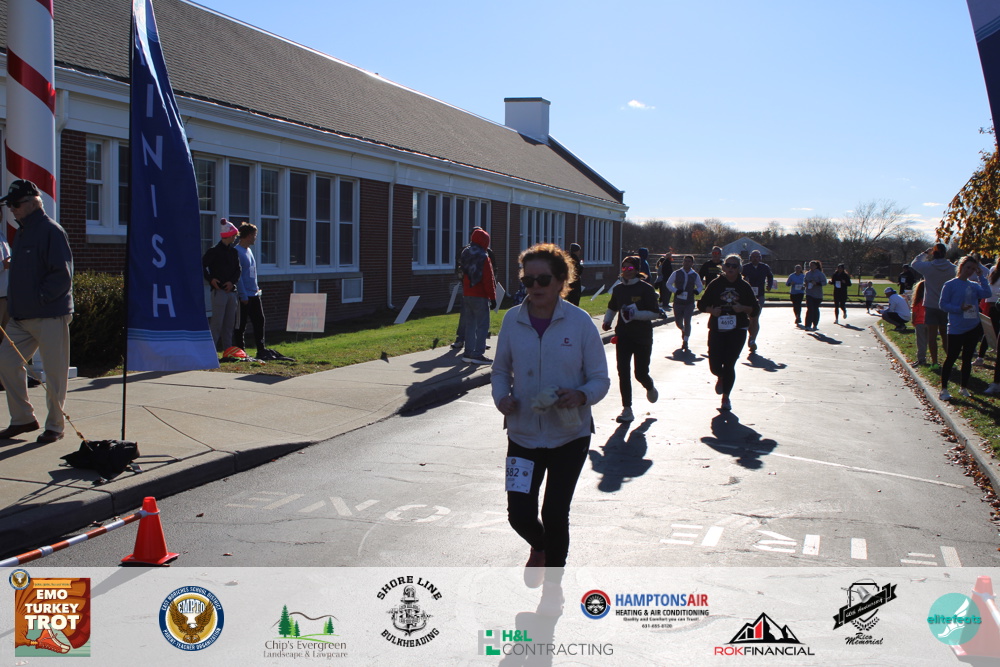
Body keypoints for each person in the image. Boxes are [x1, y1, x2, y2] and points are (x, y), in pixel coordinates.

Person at [491, 243, 610, 581]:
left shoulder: (579, 322)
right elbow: (500, 371)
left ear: (560, 281)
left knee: (555, 514)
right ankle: (540, 546)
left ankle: (554, 587)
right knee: (519, 515)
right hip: (523, 434)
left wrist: (581, 395)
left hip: (569, 436)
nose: (535, 287)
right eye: (527, 281)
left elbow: (600, 379)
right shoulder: (513, 320)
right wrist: (502, 398)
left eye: (543, 279)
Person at [0, 180, 74, 444]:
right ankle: (23, 419)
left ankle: (55, 426)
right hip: (20, 317)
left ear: (33, 203)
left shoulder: (51, 231)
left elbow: (62, 276)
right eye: (9, 205)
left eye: (15, 204)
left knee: (54, 374)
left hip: (49, 315)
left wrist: (40, 299)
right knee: (6, 361)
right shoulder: (22, 232)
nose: (12, 209)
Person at [697, 254, 759, 411]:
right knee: (715, 365)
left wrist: (742, 308)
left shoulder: (744, 286)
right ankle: (720, 375)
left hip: (737, 329)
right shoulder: (715, 284)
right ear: (723, 267)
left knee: (730, 363)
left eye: (734, 266)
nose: (731, 268)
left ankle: (726, 398)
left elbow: (755, 309)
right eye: (728, 265)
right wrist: (712, 310)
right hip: (717, 328)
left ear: (739, 269)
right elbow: (701, 304)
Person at [603, 256, 661, 423]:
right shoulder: (618, 289)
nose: (627, 271)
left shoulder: (646, 289)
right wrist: (607, 321)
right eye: (624, 268)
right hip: (623, 336)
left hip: (642, 337)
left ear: (636, 270)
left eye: (630, 268)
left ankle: (649, 386)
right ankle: (627, 409)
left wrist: (636, 314)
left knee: (640, 373)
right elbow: (612, 307)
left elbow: (655, 313)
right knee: (623, 372)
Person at [232, 223, 290, 361]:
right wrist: (243, 294)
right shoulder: (237, 252)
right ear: (248, 235)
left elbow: (252, 273)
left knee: (259, 320)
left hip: (254, 293)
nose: (255, 238)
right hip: (244, 296)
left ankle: (261, 349)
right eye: (254, 235)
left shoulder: (249, 251)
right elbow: (238, 276)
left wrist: (256, 288)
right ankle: (241, 351)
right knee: (241, 324)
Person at [938, 255, 991, 401]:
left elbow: (987, 293)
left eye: (973, 269)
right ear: (961, 267)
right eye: (968, 267)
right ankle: (944, 389)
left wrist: (981, 277)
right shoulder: (950, 284)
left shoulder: (974, 285)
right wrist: (958, 308)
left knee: (967, 359)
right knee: (951, 357)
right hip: (956, 327)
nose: (970, 271)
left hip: (972, 326)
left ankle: (964, 387)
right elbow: (943, 305)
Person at [912, 243, 956, 371]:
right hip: (947, 305)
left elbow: (914, 263)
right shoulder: (952, 269)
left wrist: (925, 253)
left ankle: (935, 362)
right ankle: (950, 360)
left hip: (931, 305)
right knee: (945, 335)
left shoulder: (928, 267)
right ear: (945, 253)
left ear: (933, 254)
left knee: (932, 336)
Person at [202, 219, 241, 353]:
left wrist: (232, 282)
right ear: (229, 235)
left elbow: (238, 270)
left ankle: (228, 351)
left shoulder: (234, 252)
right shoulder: (213, 251)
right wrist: (211, 279)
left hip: (231, 292)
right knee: (217, 323)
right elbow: (202, 266)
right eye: (234, 235)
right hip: (219, 292)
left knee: (229, 325)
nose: (235, 238)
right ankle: (210, 352)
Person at [460, 227, 496, 365]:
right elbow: (488, 279)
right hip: (480, 295)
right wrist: (492, 297)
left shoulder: (465, 253)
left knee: (470, 324)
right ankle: (478, 354)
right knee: (482, 325)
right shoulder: (483, 256)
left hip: (467, 293)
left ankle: (468, 352)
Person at [666, 254, 703, 351]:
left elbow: (700, 286)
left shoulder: (695, 275)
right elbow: (668, 284)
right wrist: (675, 290)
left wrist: (697, 291)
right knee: (678, 322)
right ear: (683, 262)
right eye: (685, 261)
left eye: (689, 261)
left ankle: (685, 341)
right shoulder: (676, 273)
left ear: (692, 263)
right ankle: (683, 330)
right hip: (678, 302)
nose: (687, 263)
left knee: (687, 321)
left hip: (689, 302)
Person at [740, 250, 773, 353]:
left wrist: (769, 285)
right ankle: (751, 335)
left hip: (760, 295)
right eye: (753, 257)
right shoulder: (745, 267)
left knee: (755, 317)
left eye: (757, 256)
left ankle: (752, 339)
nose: (755, 258)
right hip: (747, 296)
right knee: (749, 318)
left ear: (760, 258)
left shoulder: (764, 267)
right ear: (750, 258)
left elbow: (770, 276)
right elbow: (739, 278)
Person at [803, 260, 827, 331]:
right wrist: (806, 284)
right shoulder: (808, 273)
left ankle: (815, 324)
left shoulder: (820, 274)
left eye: (812, 265)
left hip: (817, 294)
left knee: (815, 309)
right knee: (810, 309)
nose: (811, 267)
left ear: (816, 266)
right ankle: (807, 325)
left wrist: (816, 283)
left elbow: (824, 282)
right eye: (810, 265)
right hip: (809, 293)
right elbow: (805, 281)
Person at [911, 280, 929, 367]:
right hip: (929, 322)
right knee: (928, 341)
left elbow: (914, 313)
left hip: (919, 322)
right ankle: (932, 359)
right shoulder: (930, 300)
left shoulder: (918, 301)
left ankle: (921, 359)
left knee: (921, 342)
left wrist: (913, 321)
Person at [0, 233, 10, 329]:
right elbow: (4, 264)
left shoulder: (2, 236)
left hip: (6, 296)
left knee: (7, 335)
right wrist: (3, 265)